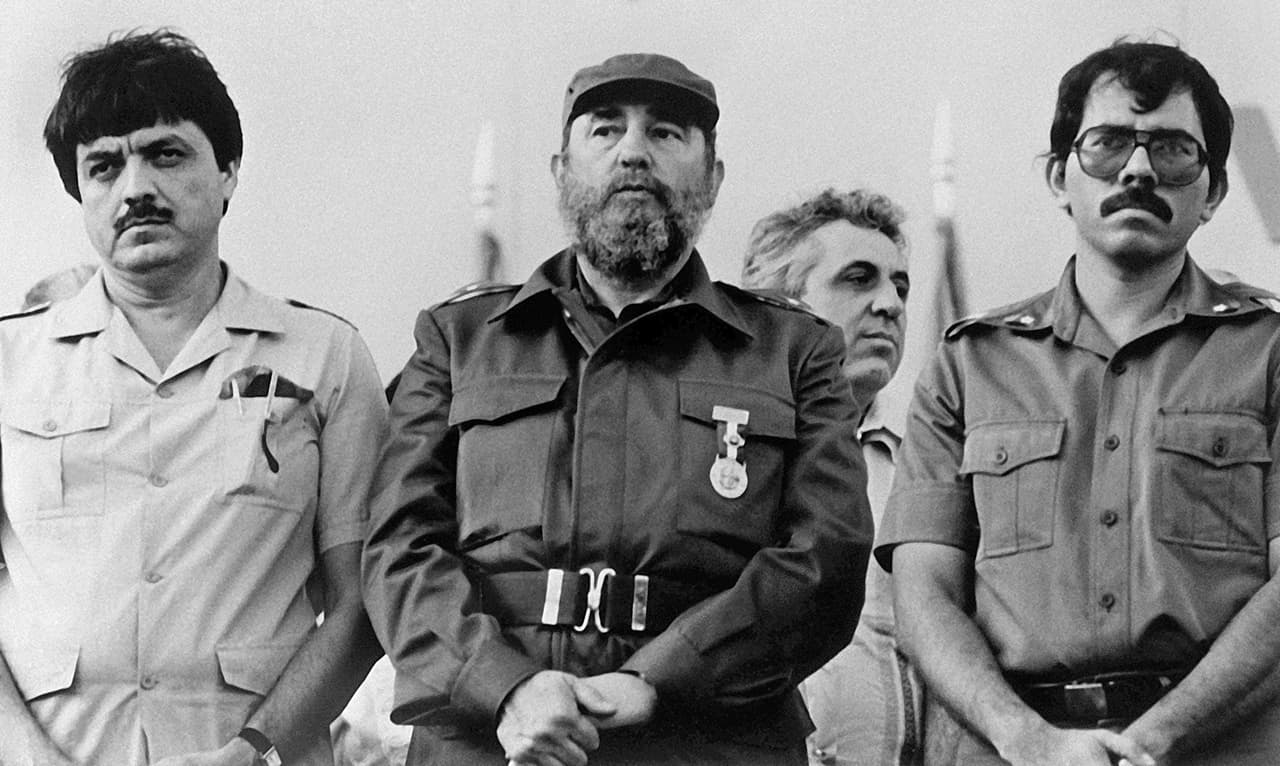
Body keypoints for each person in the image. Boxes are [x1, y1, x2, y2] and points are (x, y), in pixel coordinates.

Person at [362, 53, 872, 765]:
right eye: (606, 131)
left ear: (714, 177)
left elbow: (828, 560)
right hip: (489, 741)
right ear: (560, 171)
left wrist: (656, 680)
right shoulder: (460, 341)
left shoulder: (793, 351)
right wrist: (503, 687)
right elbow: (397, 545)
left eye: (666, 133)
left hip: (711, 742)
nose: (634, 150)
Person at [878, 40, 1280, 766]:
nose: (1137, 169)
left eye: (1173, 151)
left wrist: (1153, 739)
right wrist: (1025, 738)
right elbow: (925, 596)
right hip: (1008, 749)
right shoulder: (970, 364)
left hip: (1221, 745)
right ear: (1061, 177)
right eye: (1107, 145)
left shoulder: (1270, 354)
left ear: (1214, 191)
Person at [0, 30, 387, 765]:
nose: (135, 188)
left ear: (229, 171)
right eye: (104, 166)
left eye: (166, 153)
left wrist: (257, 750)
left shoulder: (325, 357)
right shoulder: (8, 363)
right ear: (80, 192)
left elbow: (362, 603)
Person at [743, 189, 921, 766]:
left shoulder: (927, 462)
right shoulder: (724, 461)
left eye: (899, 285)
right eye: (858, 279)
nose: (890, 303)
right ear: (780, 306)